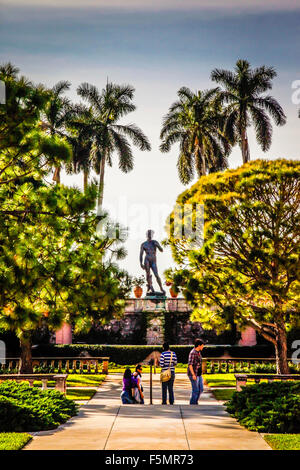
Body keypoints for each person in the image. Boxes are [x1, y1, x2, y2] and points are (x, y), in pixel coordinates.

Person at [188, 339, 205, 405]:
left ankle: (195, 402)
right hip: (194, 374)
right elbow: (190, 364)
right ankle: (193, 404)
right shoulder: (193, 353)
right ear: (199, 345)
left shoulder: (198, 352)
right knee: (195, 390)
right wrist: (193, 375)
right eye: (202, 346)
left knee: (201, 389)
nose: (203, 347)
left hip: (199, 374)